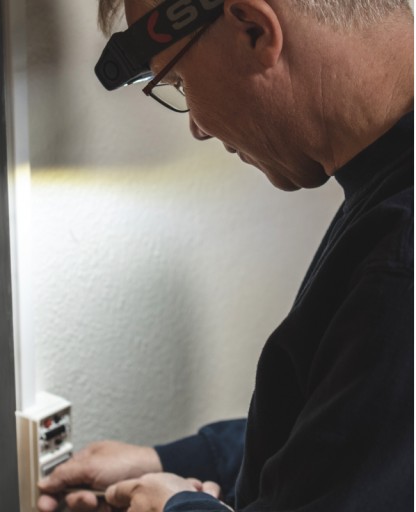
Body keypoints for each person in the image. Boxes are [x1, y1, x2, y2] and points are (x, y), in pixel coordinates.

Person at [38, 0, 414, 511]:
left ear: (254, 30)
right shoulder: (387, 187)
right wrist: (180, 461)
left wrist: (175, 507)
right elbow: (357, 429)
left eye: (178, 81)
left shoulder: (400, 263)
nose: (197, 126)